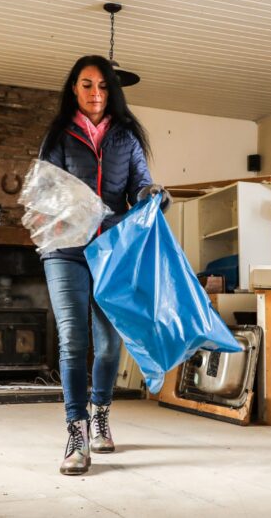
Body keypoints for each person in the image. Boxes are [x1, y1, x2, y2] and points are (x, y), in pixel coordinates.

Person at [38, 55, 169, 475]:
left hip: (111, 251)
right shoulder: (59, 136)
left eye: (103, 86)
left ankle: (100, 414)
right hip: (65, 249)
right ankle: (75, 434)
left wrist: (154, 194)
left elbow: (138, 188)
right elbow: (44, 191)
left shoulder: (126, 138)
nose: (96, 94)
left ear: (113, 92)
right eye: (87, 85)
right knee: (73, 339)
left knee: (111, 345)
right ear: (74, 89)